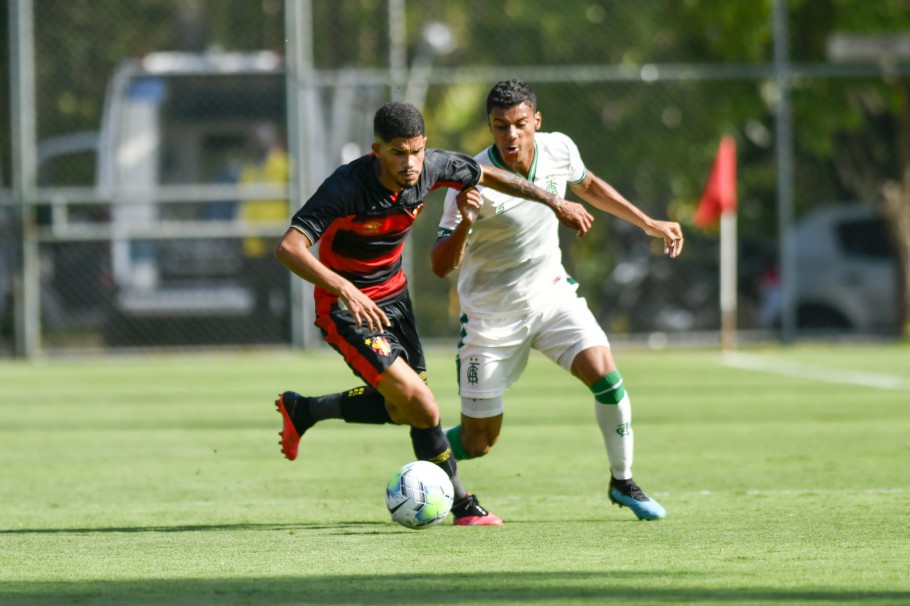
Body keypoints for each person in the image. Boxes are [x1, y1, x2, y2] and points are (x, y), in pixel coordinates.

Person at [273, 100, 593, 526]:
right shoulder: (346, 187)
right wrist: (346, 289)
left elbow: (492, 176)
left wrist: (555, 201)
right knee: (423, 404)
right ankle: (463, 505)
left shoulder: (432, 166)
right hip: (346, 307)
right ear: (377, 150)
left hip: (394, 299)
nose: (411, 163)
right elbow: (289, 248)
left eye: (418, 150)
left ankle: (305, 410)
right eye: (398, 153)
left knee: (403, 409)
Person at [431, 80, 684, 521]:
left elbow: (588, 186)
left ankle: (622, 481)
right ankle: (425, 455)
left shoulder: (559, 148)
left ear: (537, 121)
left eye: (519, 125)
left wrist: (647, 223)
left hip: (551, 295)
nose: (511, 136)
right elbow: (439, 265)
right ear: (489, 127)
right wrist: (465, 221)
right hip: (491, 318)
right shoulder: (471, 179)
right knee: (479, 442)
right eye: (500, 126)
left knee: (607, 378)